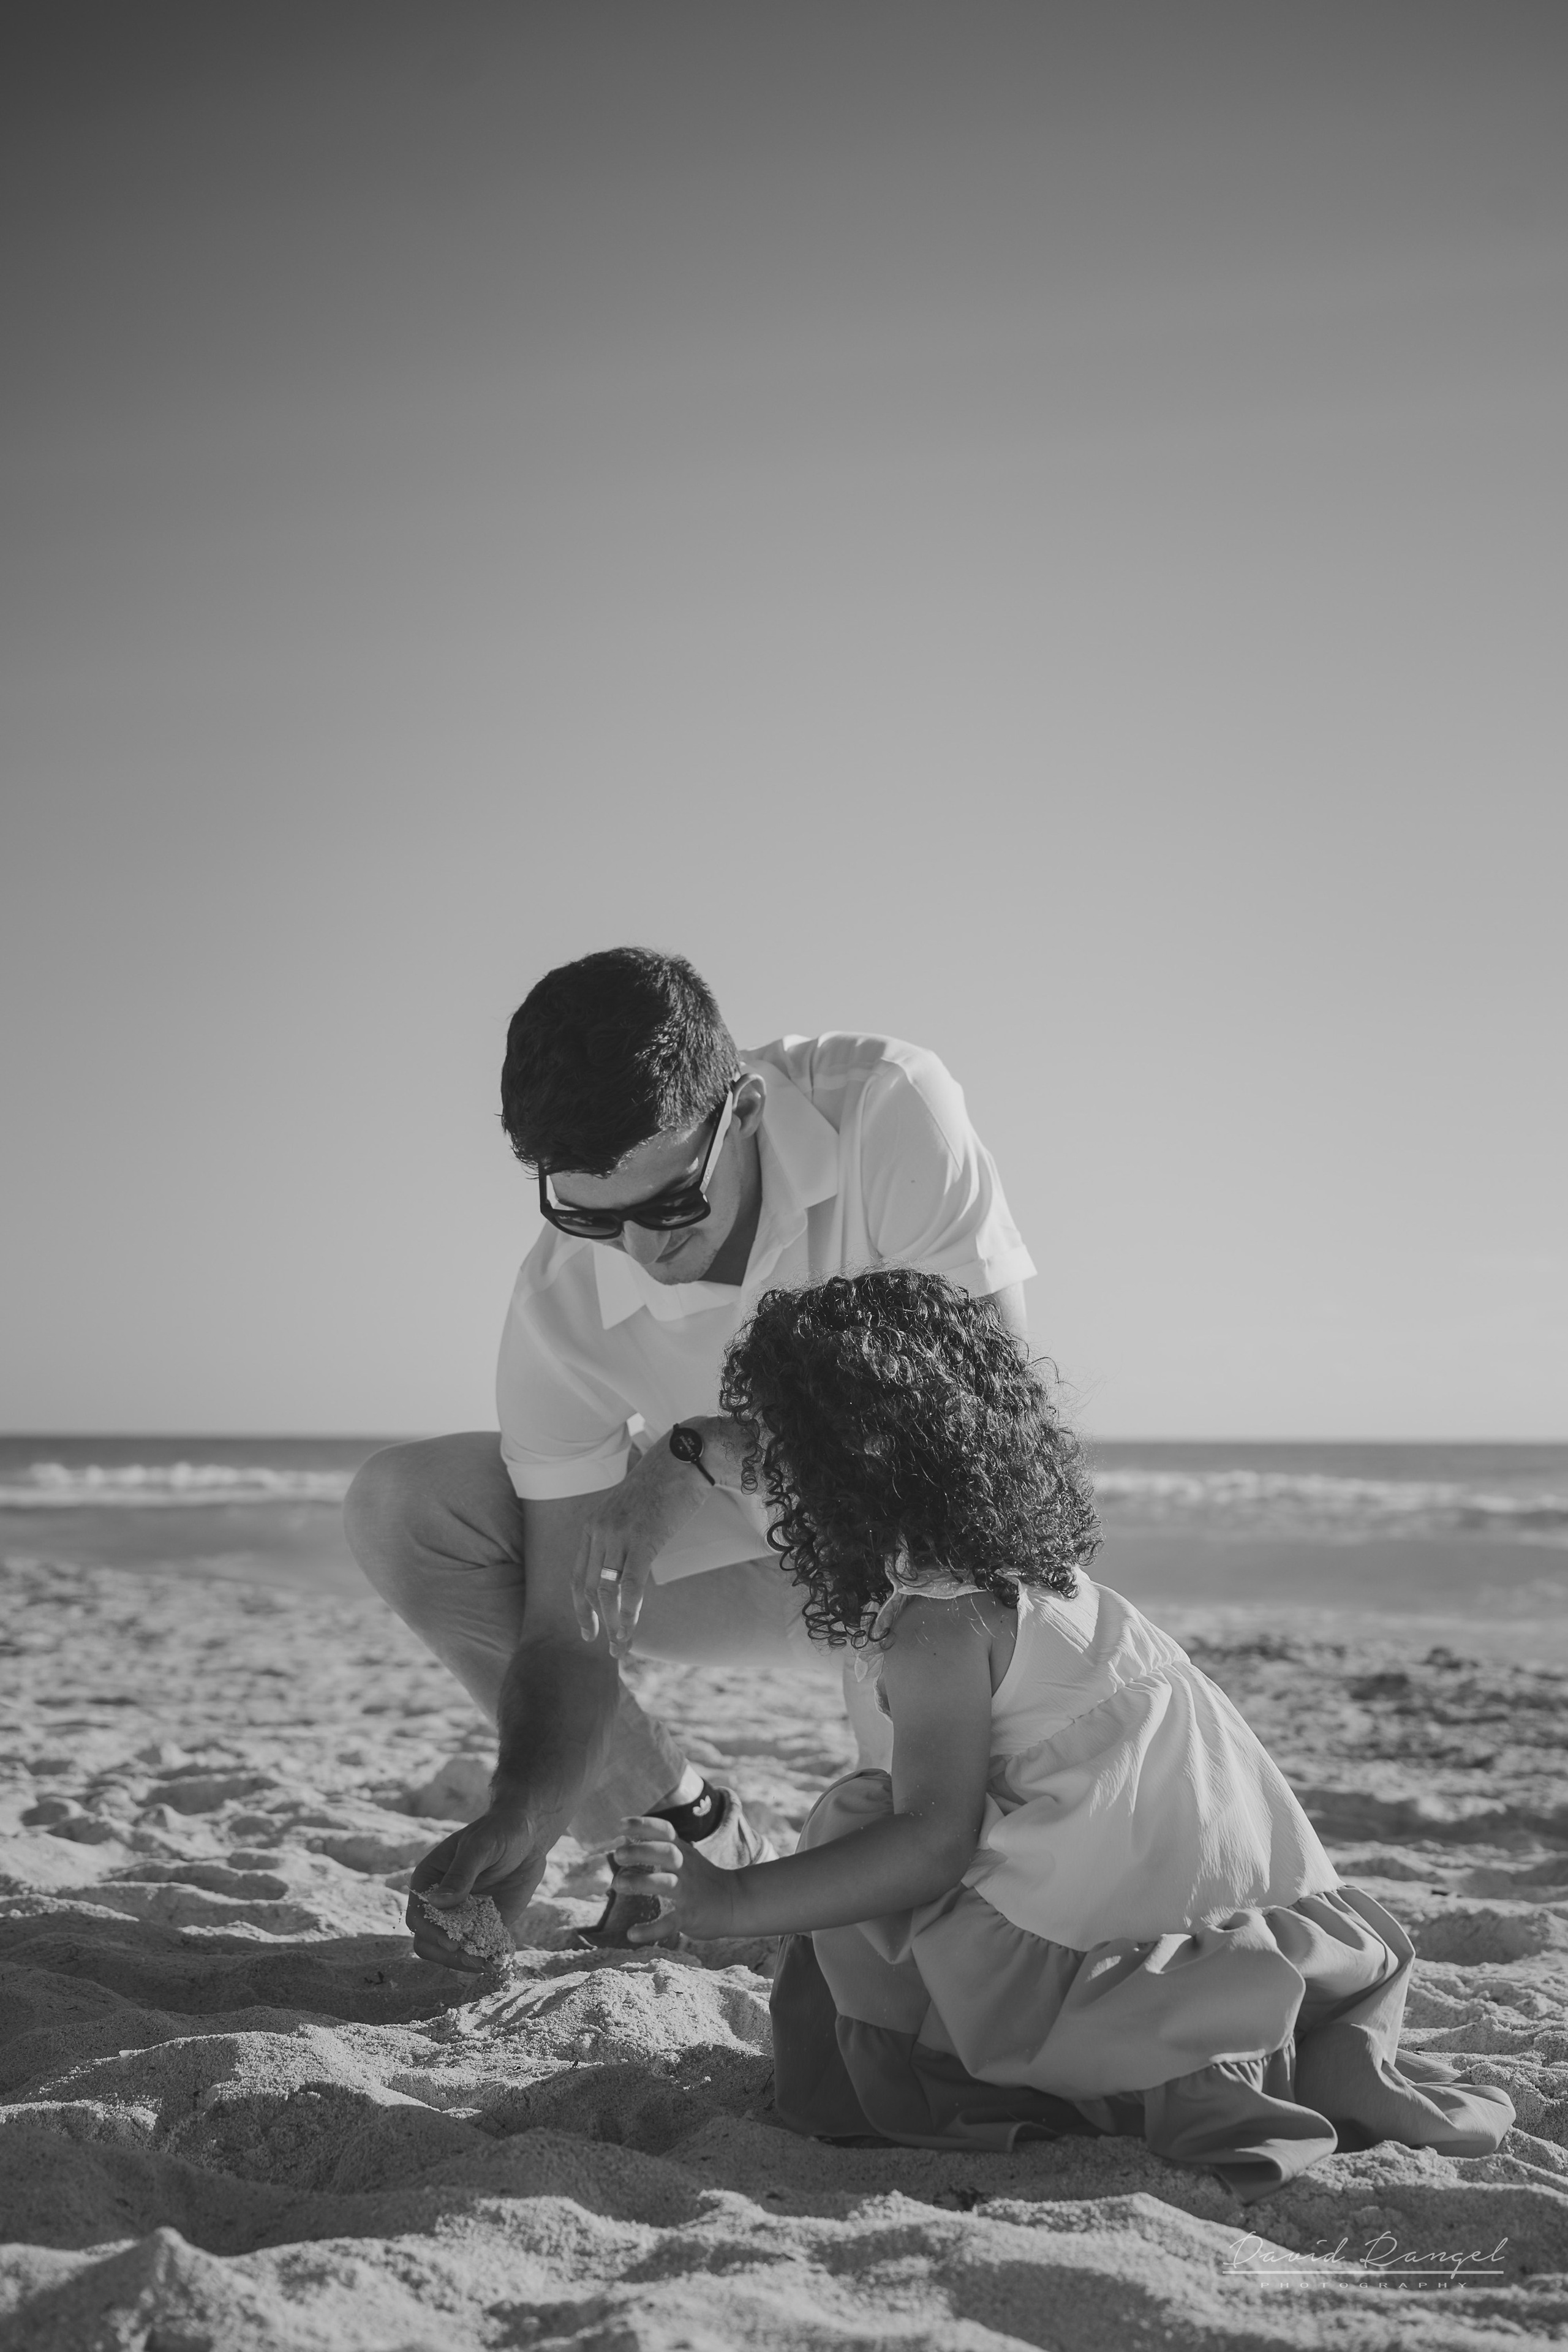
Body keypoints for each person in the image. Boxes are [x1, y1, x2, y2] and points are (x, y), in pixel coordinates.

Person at [608, 1269, 1515, 2196]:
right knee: (899, 1824)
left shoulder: (936, 1627)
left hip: (1138, 1949)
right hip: (1256, 1907)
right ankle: (1294, 2045)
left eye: (786, 1451)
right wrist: (713, 1453)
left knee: (862, 1826)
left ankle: (1178, 2060)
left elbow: (929, 1848)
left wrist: (728, 1901)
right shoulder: (1041, 1582)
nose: (771, 1480)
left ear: (853, 1461)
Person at [343, 949, 1035, 1970]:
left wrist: (705, 1452)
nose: (639, 1251)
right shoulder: (562, 1296)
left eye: (669, 1208)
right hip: (754, 1573)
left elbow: (993, 1438)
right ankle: (683, 1827)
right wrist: (527, 1806)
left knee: (926, 1915)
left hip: (928, 1564)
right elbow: (565, 1631)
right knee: (405, 1507)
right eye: (588, 1213)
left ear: (744, 1113)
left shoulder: (888, 1110)